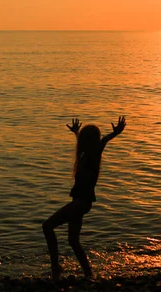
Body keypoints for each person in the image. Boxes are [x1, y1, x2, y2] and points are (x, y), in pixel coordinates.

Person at [42, 116, 126, 281]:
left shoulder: (93, 156)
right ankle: (88, 274)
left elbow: (102, 142)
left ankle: (55, 267)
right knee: (73, 241)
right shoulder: (83, 155)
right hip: (79, 202)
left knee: (47, 226)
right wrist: (76, 132)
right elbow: (92, 143)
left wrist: (113, 134)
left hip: (81, 203)